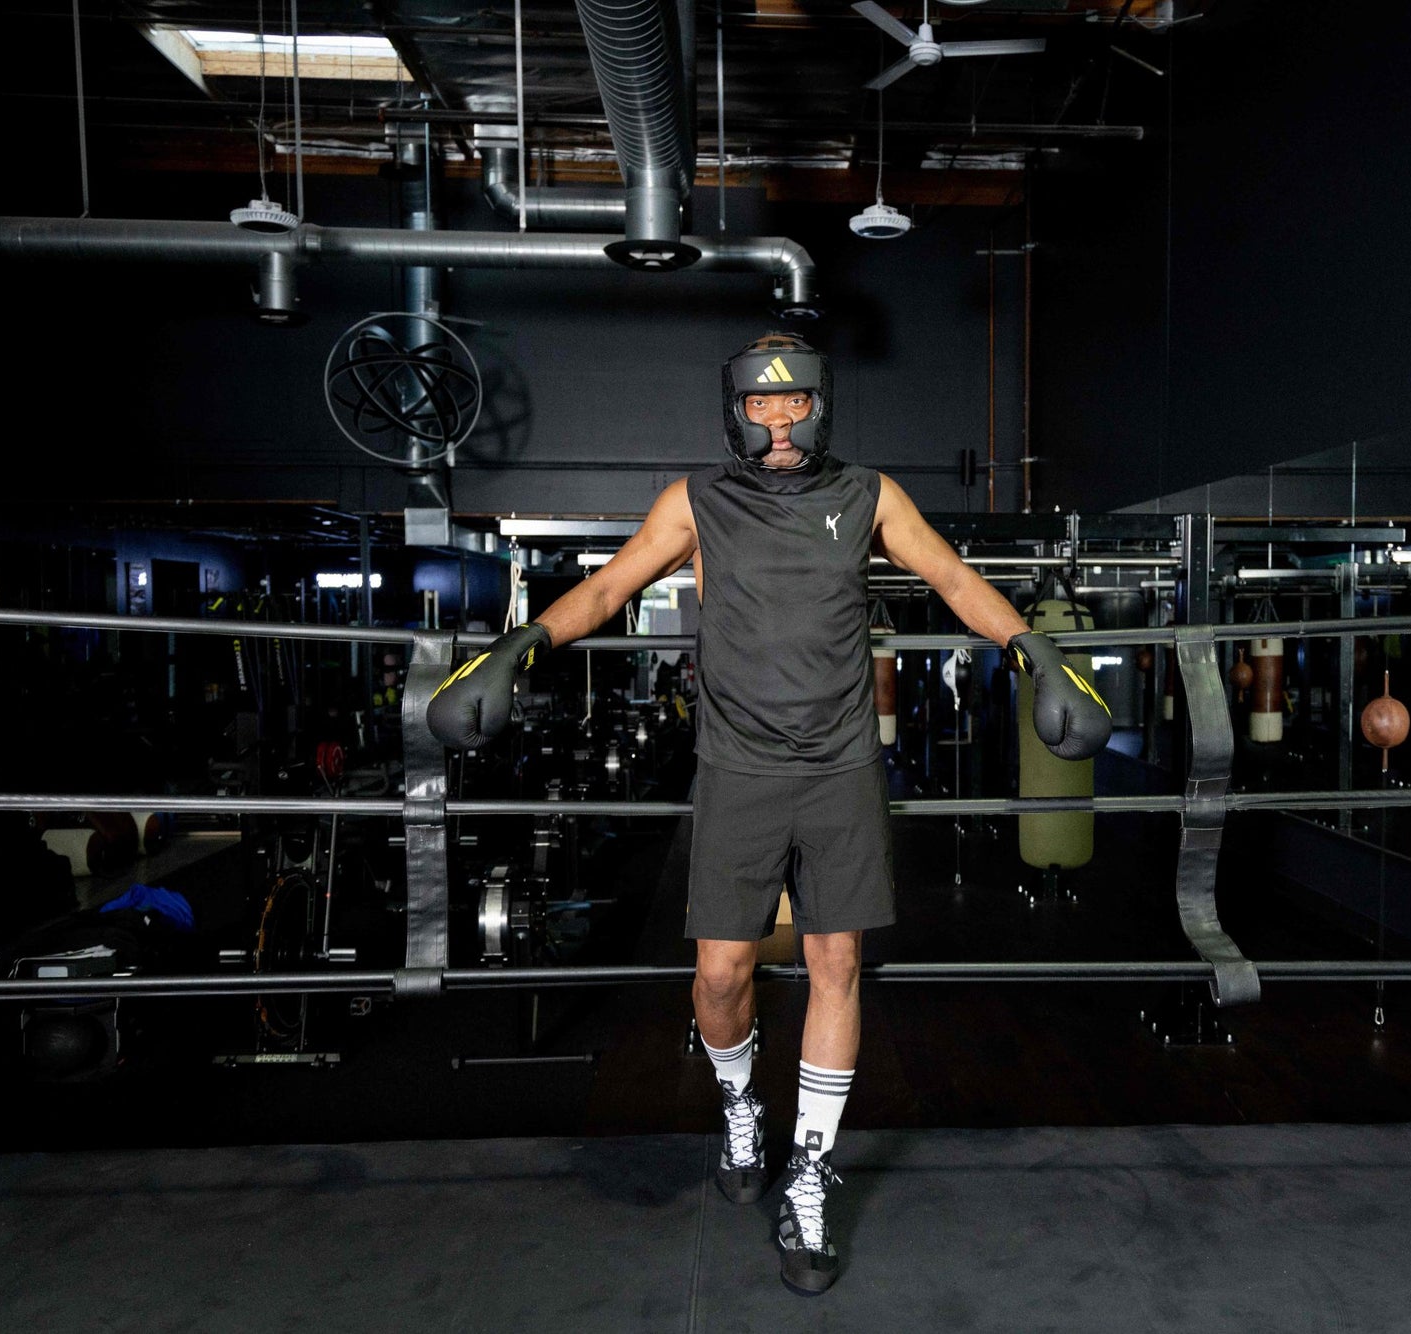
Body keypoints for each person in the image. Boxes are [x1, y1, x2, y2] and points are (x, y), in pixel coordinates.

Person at [427, 333, 1111, 1296]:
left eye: (794, 406)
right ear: (736, 409)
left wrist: (1035, 651)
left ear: (820, 406)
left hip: (839, 767)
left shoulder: (867, 494)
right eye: (761, 406)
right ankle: (742, 1107)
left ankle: (811, 1170)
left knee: (837, 962)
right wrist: (519, 645)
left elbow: (954, 581)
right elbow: (611, 587)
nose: (778, 421)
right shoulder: (695, 502)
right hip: (740, 769)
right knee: (718, 979)